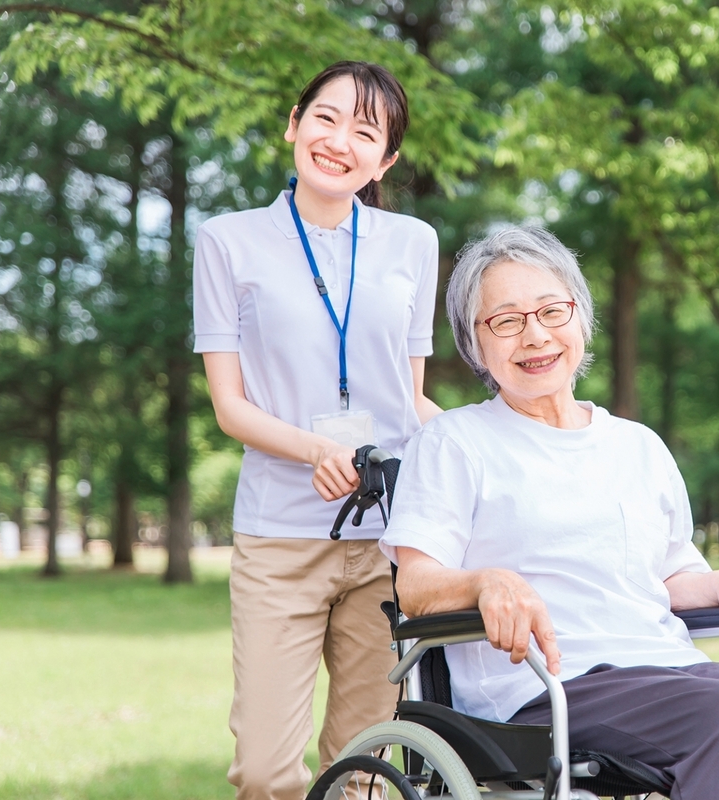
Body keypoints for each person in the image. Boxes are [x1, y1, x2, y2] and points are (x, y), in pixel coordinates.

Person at [379, 227, 719, 800]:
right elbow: (416, 586)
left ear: (581, 319)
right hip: (542, 686)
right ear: (475, 344)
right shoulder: (454, 442)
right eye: (506, 321)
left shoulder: (638, 446)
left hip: (663, 670)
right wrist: (486, 581)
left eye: (552, 311)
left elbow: (670, 576)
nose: (535, 335)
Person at [193, 61, 442, 800]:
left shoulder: (413, 242)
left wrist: (485, 447)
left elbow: (411, 400)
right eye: (326, 118)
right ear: (294, 123)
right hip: (278, 538)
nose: (340, 141)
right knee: (266, 772)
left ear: (386, 160)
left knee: (361, 772)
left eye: (365, 132)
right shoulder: (227, 240)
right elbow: (229, 407)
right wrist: (317, 450)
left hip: (386, 538)